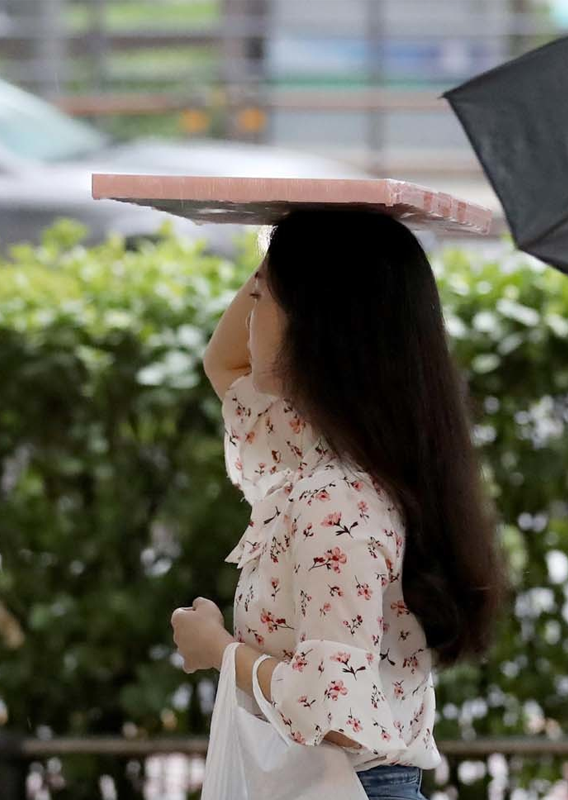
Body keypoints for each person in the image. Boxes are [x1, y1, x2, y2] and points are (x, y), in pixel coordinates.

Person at [170, 209, 505, 800]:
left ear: (314, 323)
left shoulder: (335, 499)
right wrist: (294, 230)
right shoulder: (325, 456)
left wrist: (218, 650)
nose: (250, 311)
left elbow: (332, 709)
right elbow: (225, 364)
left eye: (263, 297)